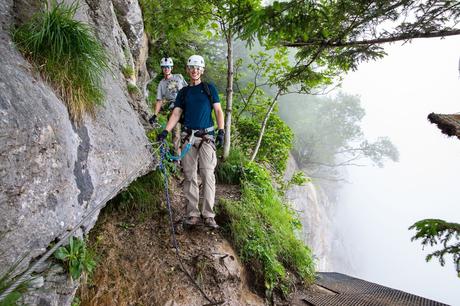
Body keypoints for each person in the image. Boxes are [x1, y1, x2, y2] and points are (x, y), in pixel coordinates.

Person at [157, 55, 224, 229]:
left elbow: (218, 110)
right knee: (189, 175)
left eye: (198, 68)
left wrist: (221, 130)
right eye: (192, 68)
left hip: (206, 138)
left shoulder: (209, 88)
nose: (195, 71)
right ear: (187, 70)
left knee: (208, 175)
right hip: (188, 137)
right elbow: (177, 113)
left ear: (202, 70)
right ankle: (192, 214)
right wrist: (166, 130)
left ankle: (208, 215)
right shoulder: (184, 92)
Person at [149, 57, 187, 157]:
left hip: (185, 106)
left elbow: (188, 89)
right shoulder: (161, 83)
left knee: (188, 133)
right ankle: (177, 159)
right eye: (164, 67)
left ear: (172, 68)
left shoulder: (179, 77)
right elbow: (159, 100)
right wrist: (155, 115)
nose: (166, 69)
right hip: (173, 109)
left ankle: (188, 156)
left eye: (168, 67)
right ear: (162, 68)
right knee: (176, 134)